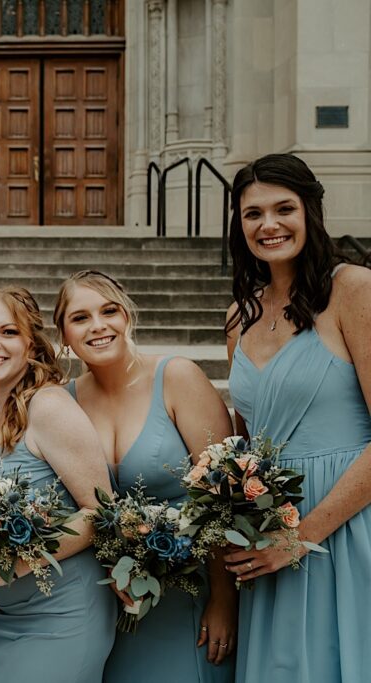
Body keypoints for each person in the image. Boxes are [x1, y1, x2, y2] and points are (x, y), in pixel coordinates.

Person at [222, 153, 371, 683]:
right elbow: (242, 442)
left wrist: (302, 537)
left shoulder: (353, 289)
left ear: (310, 210)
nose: (269, 224)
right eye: (252, 213)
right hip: (270, 532)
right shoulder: (239, 315)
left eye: (284, 208)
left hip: (347, 524)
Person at [54, 270, 237, 681]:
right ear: (64, 334)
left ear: (127, 317)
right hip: (112, 605)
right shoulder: (65, 402)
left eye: (108, 311)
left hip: (190, 597)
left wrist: (224, 600)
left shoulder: (177, 377)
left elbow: (225, 497)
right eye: (80, 318)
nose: (98, 326)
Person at [0, 286, 115, 683]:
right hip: (4, 612)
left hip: (62, 612)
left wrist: (20, 562)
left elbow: (102, 511)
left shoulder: (49, 407)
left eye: (8, 332)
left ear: (32, 344)